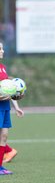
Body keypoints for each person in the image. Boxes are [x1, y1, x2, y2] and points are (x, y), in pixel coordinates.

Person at [0, 42, 25, 175]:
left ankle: (0, 167)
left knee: (4, 136)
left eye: (3, 48)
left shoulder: (3, 68)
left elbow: (8, 90)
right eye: (0, 49)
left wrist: (16, 106)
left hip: (5, 107)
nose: (2, 51)